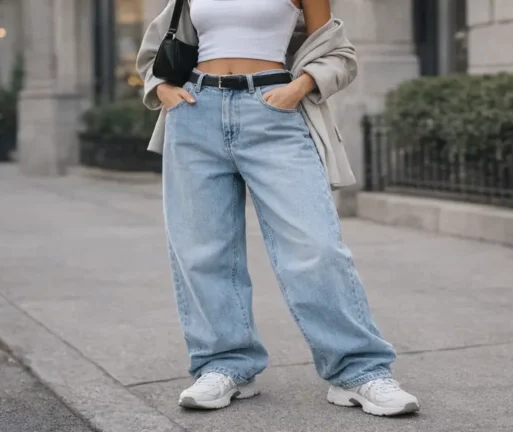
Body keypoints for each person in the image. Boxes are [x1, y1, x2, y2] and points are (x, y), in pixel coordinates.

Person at [136, 0, 419, 417]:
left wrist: (297, 88)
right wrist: (161, 89)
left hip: (273, 111)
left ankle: (359, 371)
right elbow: (154, 48)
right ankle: (224, 365)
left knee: (315, 246)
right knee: (201, 251)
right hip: (195, 114)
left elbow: (338, 54)